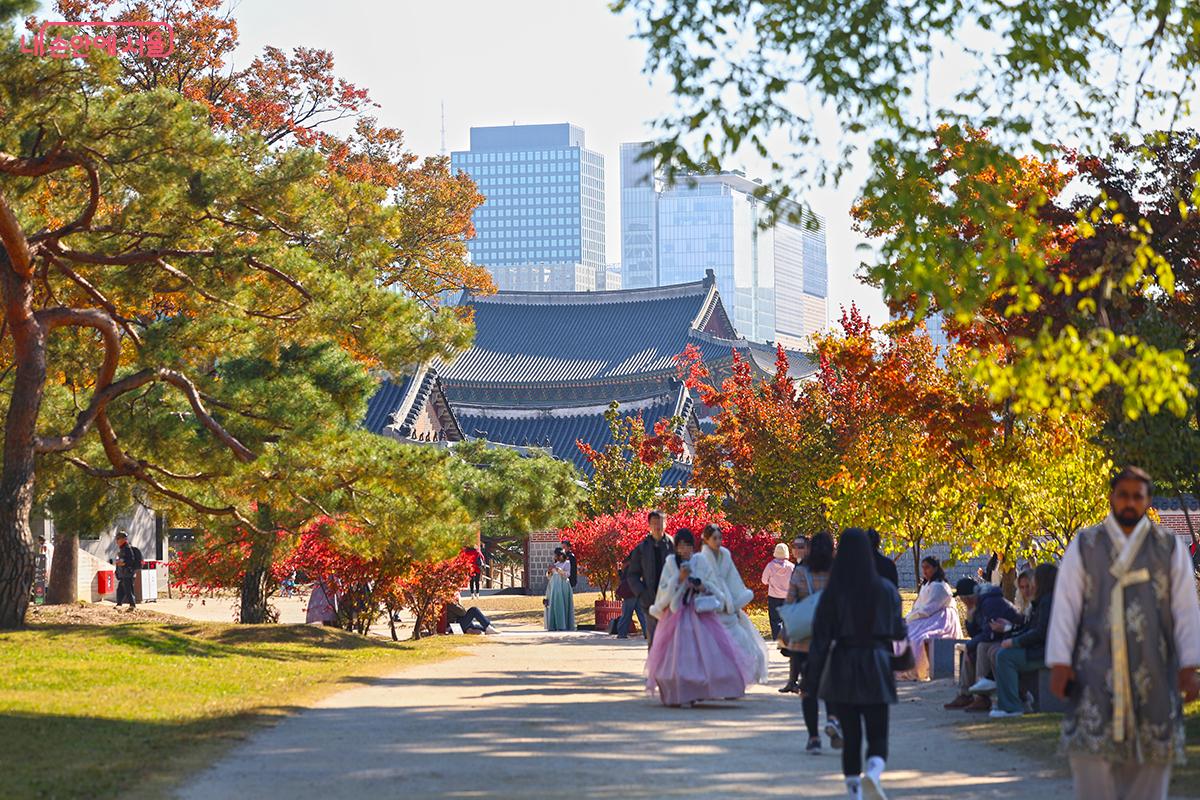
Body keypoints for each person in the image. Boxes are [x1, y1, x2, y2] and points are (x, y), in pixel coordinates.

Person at [1047, 466, 1200, 800]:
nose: (1130, 502)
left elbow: (1186, 610)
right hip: (1094, 671)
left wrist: (1190, 666)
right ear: (1112, 497)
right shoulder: (1085, 544)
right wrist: (1060, 662)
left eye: (1137, 496)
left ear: (1147, 501)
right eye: (1123, 495)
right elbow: (1066, 606)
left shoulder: (1169, 547)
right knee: (1091, 767)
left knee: (1151, 772)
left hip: (1154, 671)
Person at [805, 529, 907, 800]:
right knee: (878, 735)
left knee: (851, 737)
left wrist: (811, 679)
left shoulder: (832, 593)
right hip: (877, 663)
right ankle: (873, 773)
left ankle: (853, 792)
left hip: (843, 664)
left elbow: (820, 641)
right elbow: (898, 631)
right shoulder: (885, 590)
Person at [644, 529, 749, 706]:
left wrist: (701, 585)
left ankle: (699, 690)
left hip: (699, 611)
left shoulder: (700, 561)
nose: (685, 550)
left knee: (706, 653)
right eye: (681, 546)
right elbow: (664, 588)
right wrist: (679, 578)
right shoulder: (671, 562)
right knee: (676, 655)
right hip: (676, 612)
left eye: (688, 546)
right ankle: (677, 692)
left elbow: (712, 584)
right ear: (676, 547)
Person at [780, 532, 841, 754]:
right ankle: (833, 719)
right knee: (832, 683)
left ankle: (814, 738)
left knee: (808, 688)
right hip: (831, 637)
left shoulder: (800, 573)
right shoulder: (838, 574)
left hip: (804, 639)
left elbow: (789, 602)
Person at [949, 569, 1036, 708]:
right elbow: (977, 633)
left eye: (962, 599)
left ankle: (983, 696)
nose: (962, 601)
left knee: (982, 647)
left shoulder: (990, 603)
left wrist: (971, 645)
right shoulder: (978, 605)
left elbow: (990, 633)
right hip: (1003, 637)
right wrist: (970, 617)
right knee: (977, 646)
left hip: (1008, 637)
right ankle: (966, 694)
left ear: (967, 598)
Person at [695, 523, 770, 684]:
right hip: (711, 607)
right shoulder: (700, 559)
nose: (718, 541)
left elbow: (733, 579)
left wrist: (736, 601)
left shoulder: (725, 555)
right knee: (714, 648)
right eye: (714, 538)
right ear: (706, 540)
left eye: (720, 538)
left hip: (728, 606)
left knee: (742, 642)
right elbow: (701, 582)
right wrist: (714, 592)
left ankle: (734, 681)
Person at [989, 563, 1057, 716]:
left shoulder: (1047, 602)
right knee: (1001, 652)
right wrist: (1014, 639)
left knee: (1004, 657)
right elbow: (1031, 629)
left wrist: (1015, 642)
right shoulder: (1044, 601)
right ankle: (1011, 699)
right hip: (1041, 649)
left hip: (1044, 653)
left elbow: (1041, 633)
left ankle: (1011, 707)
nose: (1032, 585)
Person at [901, 556, 960, 680]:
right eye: (923, 568)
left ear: (935, 568)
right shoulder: (927, 585)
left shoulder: (939, 586)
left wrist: (909, 618)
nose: (924, 571)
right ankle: (904, 669)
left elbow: (929, 609)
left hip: (941, 619)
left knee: (916, 637)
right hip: (928, 617)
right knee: (903, 632)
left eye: (927, 567)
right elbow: (919, 606)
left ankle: (917, 671)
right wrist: (908, 617)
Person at [625, 510, 674, 646]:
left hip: (671, 601)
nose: (658, 527)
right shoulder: (642, 549)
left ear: (666, 523)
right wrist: (642, 593)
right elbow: (632, 574)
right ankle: (655, 667)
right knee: (654, 641)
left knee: (672, 642)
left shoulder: (673, 546)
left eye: (660, 523)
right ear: (649, 525)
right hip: (650, 601)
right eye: (654, 523)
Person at [762, 542, 795, 640]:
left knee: (775, 619)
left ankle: (777, 639)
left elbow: (764, 580)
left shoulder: (770, 566)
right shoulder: (791, 567)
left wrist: (770, 582)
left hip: (774, 596)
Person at [615, 553, 648, 639]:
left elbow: (625, 579)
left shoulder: (629, 567)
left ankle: (622, 633)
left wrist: (620, 571)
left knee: (626, 614)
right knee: (642, 614)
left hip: (630, 594)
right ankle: (647, 633)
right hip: (638, 592)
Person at [544, 548, 576, 631]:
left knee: (562, 603)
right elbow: (549, 577)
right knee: (554, 604)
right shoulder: (556, 564)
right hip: (554, 586)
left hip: (563, 586)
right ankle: (553, 625)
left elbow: (567, 575)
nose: (555, 557)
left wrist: (559, 570)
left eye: (556, 555)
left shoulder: (567, 563)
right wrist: (549, 571)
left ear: (561, 555)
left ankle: (563, 625)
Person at [113, 531, 142, 611]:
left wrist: (124, 563)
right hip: (123, 574)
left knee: (128, 590)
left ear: (123, 539)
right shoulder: (122, 549)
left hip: (128, 574)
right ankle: (119, 604)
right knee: (120, 590)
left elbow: (131, 560)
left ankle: (132, 605)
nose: (117, 541)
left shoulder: (127, 549)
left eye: (118, 538)